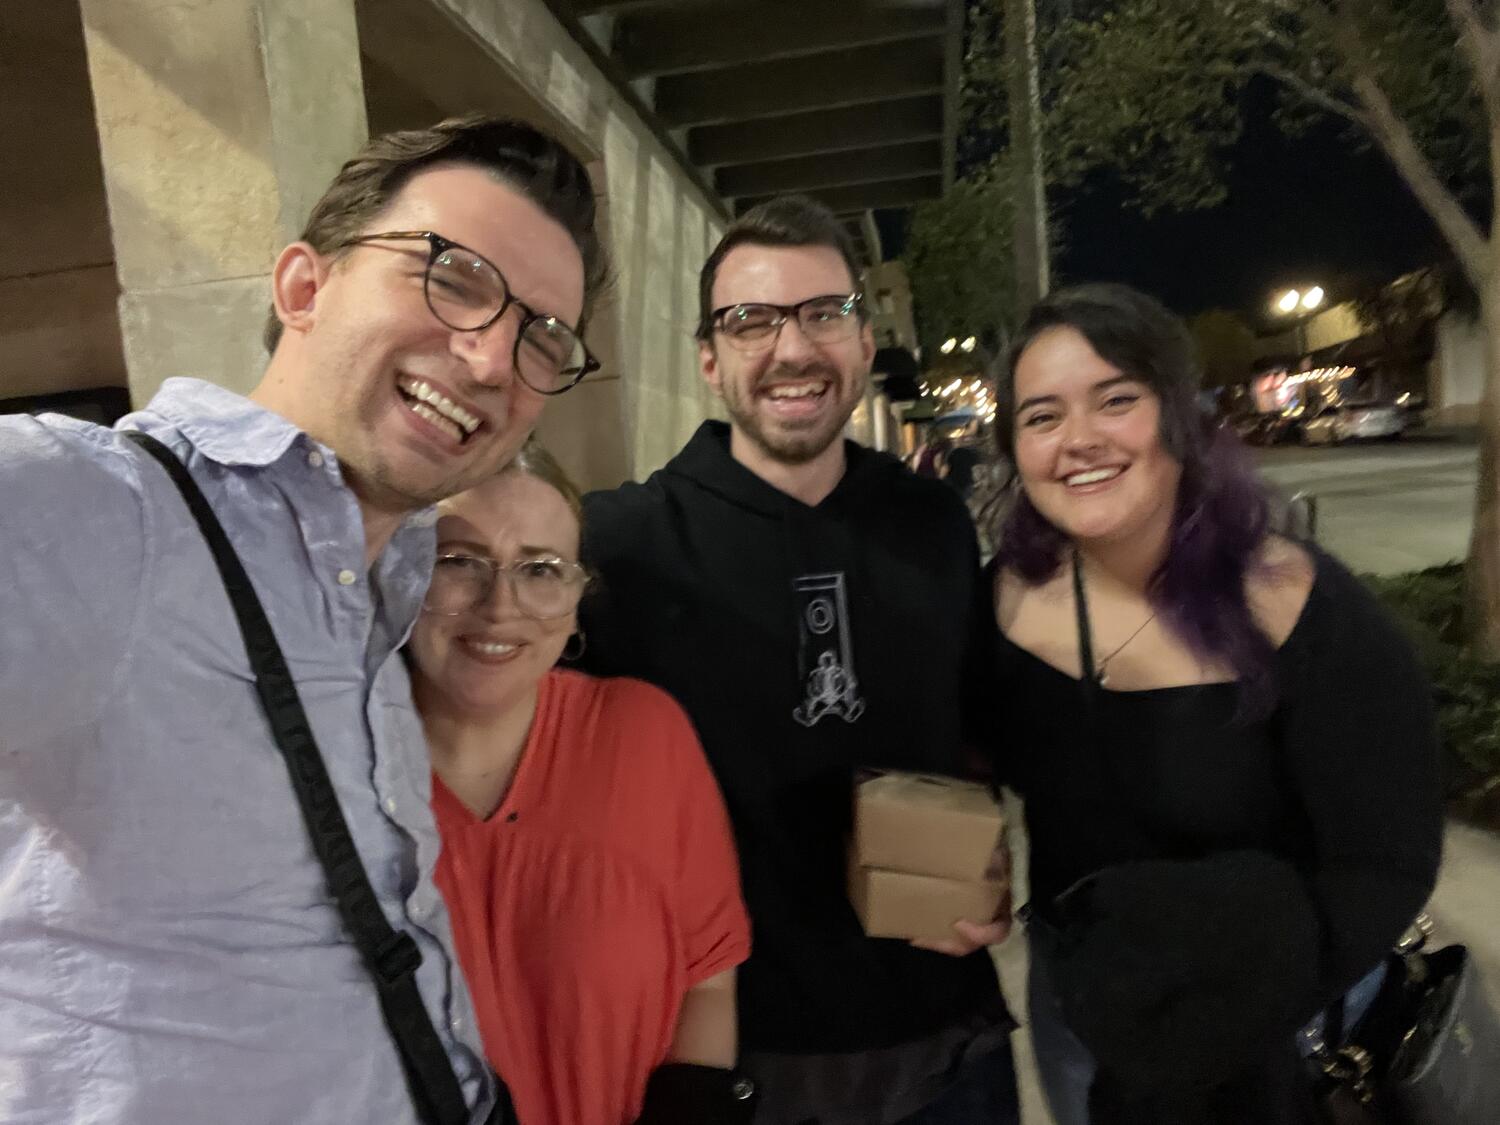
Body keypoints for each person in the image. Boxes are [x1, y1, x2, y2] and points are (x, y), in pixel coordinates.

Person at [0, 115, 607, 1123]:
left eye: (543, 336)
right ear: (303, 288)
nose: (494, 359)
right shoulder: (92, 506)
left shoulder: (391, 578)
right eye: (453, 276)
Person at [578, 195, 1020, 1125]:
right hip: (741, 1064)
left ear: (863, 343)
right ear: (710, 359)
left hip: (947, 1045)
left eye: (825, 313)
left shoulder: (931, 523)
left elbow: (985, 735)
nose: (793, 349)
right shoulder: (621, 545)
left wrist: (998, 863)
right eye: (752, 321)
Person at [986, 283, 1443, 1123]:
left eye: (1116, 399)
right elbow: (973, 762)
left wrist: (1235, 1013)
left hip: (1270, 1028)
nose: (1078, 439)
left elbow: (1389, 855)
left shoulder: (1300, 605)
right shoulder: (1005, 604)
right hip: (1080, 1013)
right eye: (1041, 416)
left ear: (1179, 417)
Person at [403, 442, 753, 1125]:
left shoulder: (644, 736)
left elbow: (708, 977)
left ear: (574, 599)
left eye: (540, 568)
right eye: (458, 561)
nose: (500, 605)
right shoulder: (341, 771)